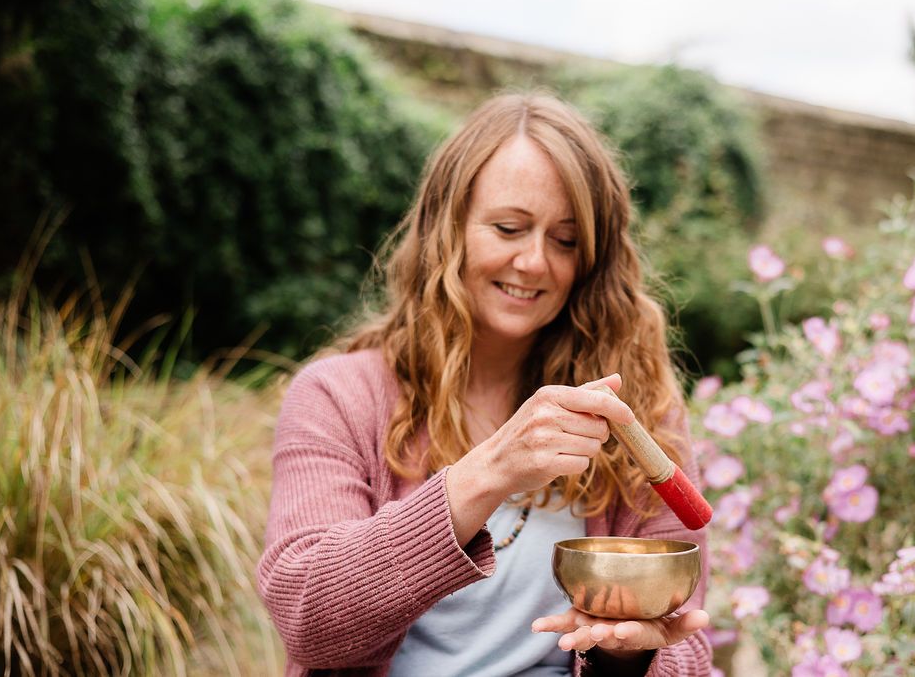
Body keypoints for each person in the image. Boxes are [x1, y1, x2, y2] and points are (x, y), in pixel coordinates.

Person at [257, 92, 712, 677]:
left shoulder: (638, 410)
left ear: (592, 262)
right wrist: (490, 471)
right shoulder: (337, 396)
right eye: (509, 227)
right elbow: (309, 621)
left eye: (566, 240)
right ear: (448, 230)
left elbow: (689, 650)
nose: (534, 262)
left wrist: (628, 653)